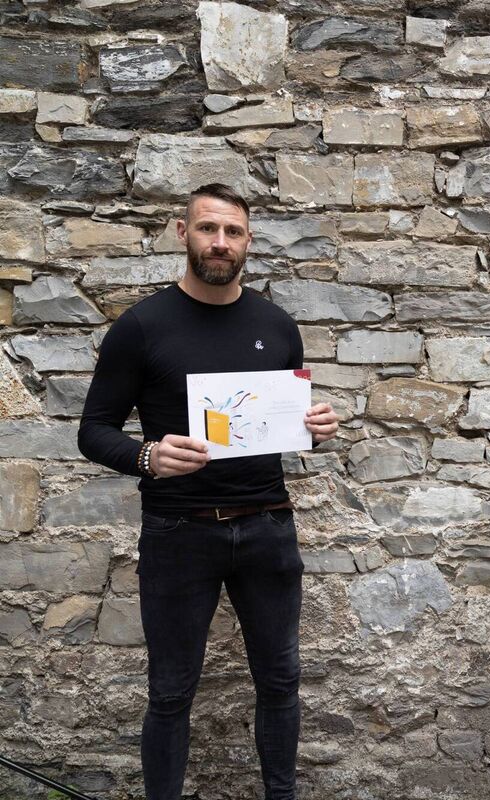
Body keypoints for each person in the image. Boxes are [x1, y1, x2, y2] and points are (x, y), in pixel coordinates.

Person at [78, 183, 339, 800]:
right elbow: (93, 430)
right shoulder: (141, 326)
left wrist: (316, 427)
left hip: (268, 525)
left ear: (248, 242)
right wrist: (147, 456)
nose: (220, 242)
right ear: (183, 232)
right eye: (207, 228)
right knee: (170, 693)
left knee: (281, 682)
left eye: (233, 232)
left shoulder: (277, 325)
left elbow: (281, 421)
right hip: (179, 532)